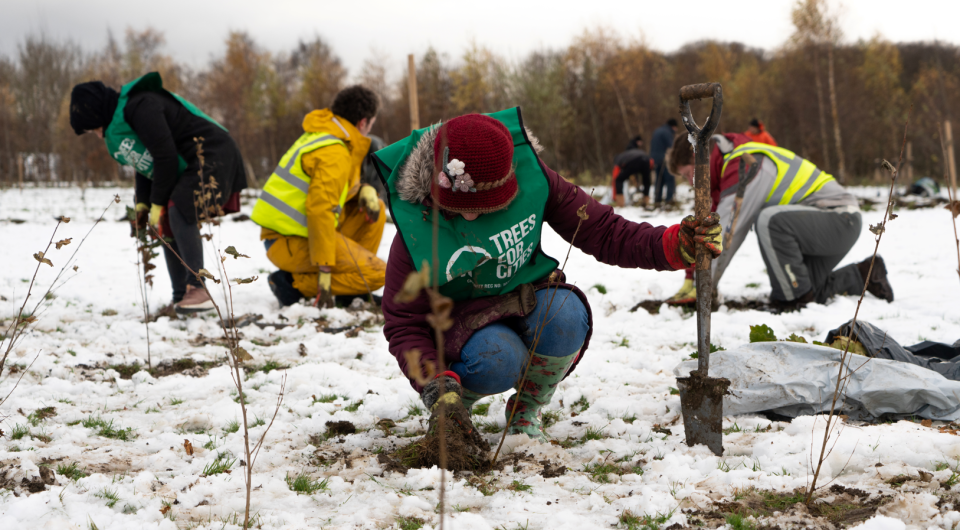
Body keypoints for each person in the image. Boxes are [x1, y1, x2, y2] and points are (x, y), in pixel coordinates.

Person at [374, 110, 723, 442]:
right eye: (459, 209)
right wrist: (435, 385)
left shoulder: (533, 178)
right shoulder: (416, 226)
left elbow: (604, 231)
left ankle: (526, 412)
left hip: (525, 299)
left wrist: (671, 245)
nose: (470, 218)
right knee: (499, 358)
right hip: (462, 328)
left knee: (567, 316)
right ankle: (453, 411)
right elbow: (403, 321)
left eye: (483, 208)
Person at [69, 72, 247, 314]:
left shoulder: (141, 106)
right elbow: (146, 163)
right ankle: (181, 297)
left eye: (95, 129)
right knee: (165, 217)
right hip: (187, 160)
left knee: (178, 209)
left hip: (212, 153)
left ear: (98, 113)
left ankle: (198, 289)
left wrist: (157, 203)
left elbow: (165, 157)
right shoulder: (126, 116)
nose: (99, 135)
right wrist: (143, 205)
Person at [667, 132, 894, 311]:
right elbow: (709, 231)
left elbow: (727, 234)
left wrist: (702, 287)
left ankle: (793, 300)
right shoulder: (728, 168)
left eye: (688, 174)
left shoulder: (745, 164)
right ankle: (865, 275)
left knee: (769, 221)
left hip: (839, 219)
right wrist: (691, 276)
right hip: (827, 224)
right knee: (808, 287)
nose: (691, 182)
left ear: (699, 160)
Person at [252, 85, 387, 308]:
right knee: (378, 274)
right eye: (371, 123)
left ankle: (352, 292)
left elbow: (334, 193)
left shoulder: (329, 138)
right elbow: (321, 209)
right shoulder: (333, 151)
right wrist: (325, 268)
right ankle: (290, 284)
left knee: (376, 211)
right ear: (363, 122)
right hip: (288, 241)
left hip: (299, 234)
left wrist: (362, 191)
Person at [611, 135, 653, 207]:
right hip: (646, 159)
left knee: (619, 179)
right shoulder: (629, 153)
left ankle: (620, 203)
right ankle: (646, 202)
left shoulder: (619, 158)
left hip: (634, 161)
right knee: (646, 181)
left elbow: (616, 174)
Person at [650, 118, 678, 207]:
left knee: (659, 179)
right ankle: (669, 200)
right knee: (669, 178)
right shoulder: (667, 132)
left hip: (655, 159)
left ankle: (657, 199)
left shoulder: (657, 131)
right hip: (664, 159)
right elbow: (671, 146)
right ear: (673, 126)